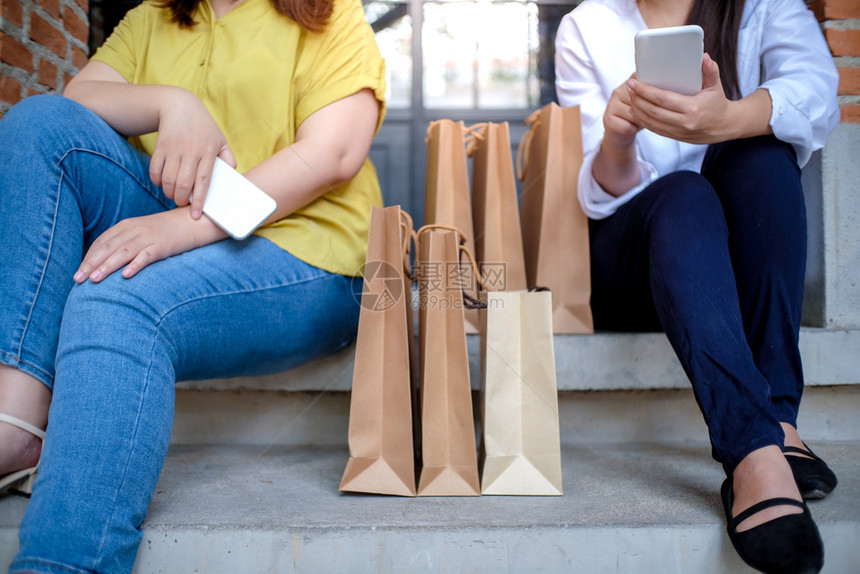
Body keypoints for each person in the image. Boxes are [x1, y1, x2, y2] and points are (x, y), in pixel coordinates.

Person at [0, 0, 385, 570]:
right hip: (177, 218)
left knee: (118, 297)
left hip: (310, 252)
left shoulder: (329, 14)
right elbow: (76, 101)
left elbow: (334, 153)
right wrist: (172, 103)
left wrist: (182, 226)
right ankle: (17, 417)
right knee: (38, 123)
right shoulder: (152, 17)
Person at [555, 0, 838, 572]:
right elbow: (598, 190)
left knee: (760, 150)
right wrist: (617, 139)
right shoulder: (586, 24)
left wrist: (726, 121)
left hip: (737, 263)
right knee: (684, 192)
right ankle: (753, 450)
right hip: (635, 259)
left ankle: (780, 422)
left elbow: (817, 90)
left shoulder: (762, 7)